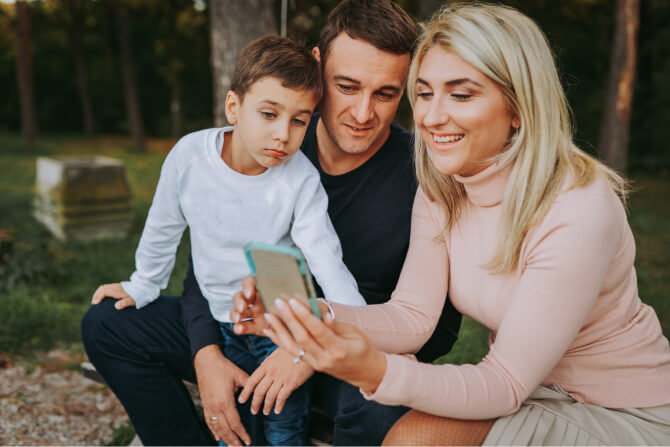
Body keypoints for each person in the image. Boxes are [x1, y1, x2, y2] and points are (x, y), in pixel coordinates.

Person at [233, 3, 670, 446]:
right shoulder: (445, 185)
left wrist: (377, 370)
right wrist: (315, 315)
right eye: (424, 93)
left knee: (412, 440)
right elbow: (413, 315)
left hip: (621, 411)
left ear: (518, 107)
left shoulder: (578, 207)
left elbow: (502, 383)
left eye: (460, 95)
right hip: (538, 394)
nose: (432, 117)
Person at [181, 0, 462, 445]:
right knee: (110, 326)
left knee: (380, 405)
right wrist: (205, 354)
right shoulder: (275, 142)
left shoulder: (427, 177)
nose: (364, 112)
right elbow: (207, 261)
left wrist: (314, 350)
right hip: (245, 328)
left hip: (351, 353)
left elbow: (439, 328)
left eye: (386, 93)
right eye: (347, 86)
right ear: (316, 66)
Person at [83, 35, 369, 446]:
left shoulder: (300, 179)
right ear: (233, 107)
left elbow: (327, 259)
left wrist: (357, 322)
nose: (283, 135)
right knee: (238, 429)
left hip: (281, 328)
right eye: (269, 113)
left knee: (285, 426)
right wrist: (142, 284)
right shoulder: (189, 158)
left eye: (299, 120)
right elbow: (163, 228)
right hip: (219, 324)